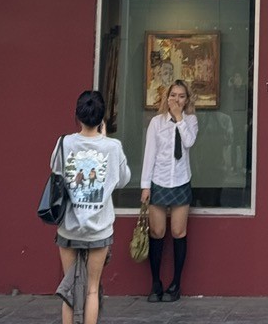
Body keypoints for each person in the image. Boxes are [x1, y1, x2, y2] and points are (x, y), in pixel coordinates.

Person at [51, 89, 130, 324]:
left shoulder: (64, 143)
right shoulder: (113, 147)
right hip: (99, 228)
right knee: (92, 289)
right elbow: (123, 179)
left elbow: (55, 171)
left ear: (78, 114)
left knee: (69, 287)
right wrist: (103, 140)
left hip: (69, 226)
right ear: (102, 118)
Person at [141, 79, 199, 303]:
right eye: (173, 95)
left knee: (178, 232)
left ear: (187, 100)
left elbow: (189, 142)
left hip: (181, 180)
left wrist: (179, 119)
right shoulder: (156, 122)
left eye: (181, 96)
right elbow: (150, 154)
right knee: (157, 232)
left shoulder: (191, 121)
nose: (176, 99)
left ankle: (176, 283)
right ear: (167, 97)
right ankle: (155, 283)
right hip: (159, 180)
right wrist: (146, 185)